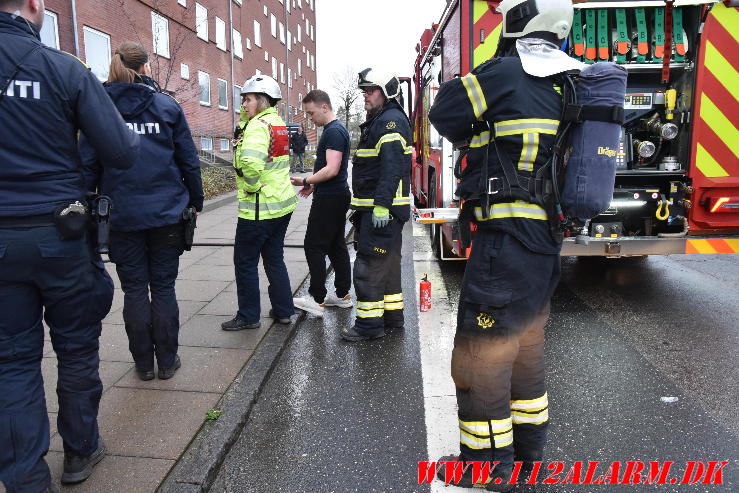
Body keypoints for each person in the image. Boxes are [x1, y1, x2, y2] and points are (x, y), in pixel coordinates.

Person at [427, 0, 581, 489]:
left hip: (505, 244)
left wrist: (492, 66)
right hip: (544, 244)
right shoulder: (570, 81)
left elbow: (444, 110)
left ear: (517, 25)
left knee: (481, 355)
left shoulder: (507, 74)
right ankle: (530, 454)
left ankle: (488, 467)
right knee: (526, 349)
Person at [0, 0, 140, 490]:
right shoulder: (63, 68)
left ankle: (24, 479)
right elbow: (120, 152)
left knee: (11, 361)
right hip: (60, 233)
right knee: (77, 348)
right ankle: (80, 452)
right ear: (36, 6)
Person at [80, 42, 204, 382]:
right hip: (166, 214)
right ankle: (167, 361)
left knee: (134, 289)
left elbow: (87, 167)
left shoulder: (98, 109)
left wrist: (87, 206)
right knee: (163, 288)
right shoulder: (166, 106)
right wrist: (196, 200)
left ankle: (143, 365)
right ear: (146, 68)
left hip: (122, 217)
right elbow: (188, 161)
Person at [221, 75, 298, 331]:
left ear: (262, 100)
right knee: (274, 257)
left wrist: (251, 187)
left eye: (249, 99)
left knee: (244, 262)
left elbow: (251, 165)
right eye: (243, 99)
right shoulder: (277, 123)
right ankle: (284, 310)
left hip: (259, 207)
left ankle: (248, 316)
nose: (244, 104)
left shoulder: (256, 126)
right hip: (281, 204)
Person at [340, 68, 412, 342]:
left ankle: (369, 326)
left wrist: (381, 205)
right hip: (385, 210)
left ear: (386, 91)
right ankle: (393, 318)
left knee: (369, 266)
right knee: (389, 267)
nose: (365, 96)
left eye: (371, 90)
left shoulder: (389, 122)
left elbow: (392, 168)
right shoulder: (384, 119)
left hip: (381, 211)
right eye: (364, 91)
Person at [290, 90, 352, 317]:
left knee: (313, 245)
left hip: (331, 198)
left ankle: (316, 298)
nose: (310, 118)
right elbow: (329, 168)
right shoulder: (335, 129)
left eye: (311, 112)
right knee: (336, 245)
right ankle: (343, 295)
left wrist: (306, 179)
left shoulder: (334, 131)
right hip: (335, 194)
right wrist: (314, 184)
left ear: (324, 107)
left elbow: (332, 168)